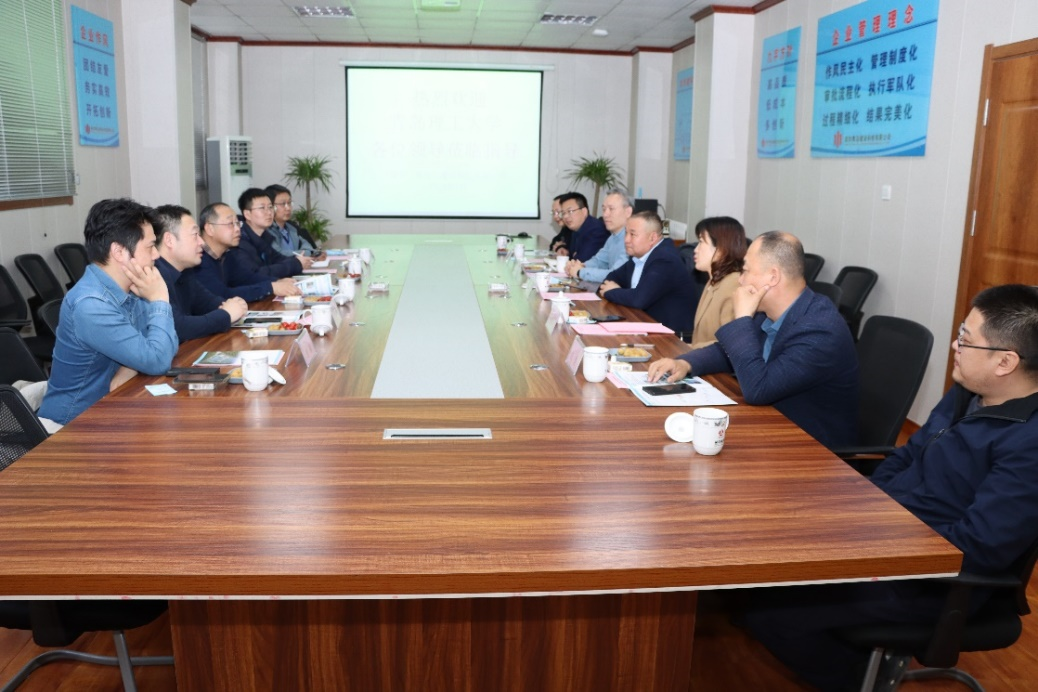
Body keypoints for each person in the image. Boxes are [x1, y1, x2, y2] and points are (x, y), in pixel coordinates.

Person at [741, 284, 1038, 692]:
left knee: (770, 611)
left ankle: (858, 680)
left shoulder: (1028, 444)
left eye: (966, 340)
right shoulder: (968, 393)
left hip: (932, 580)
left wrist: (879, 542)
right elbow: (905, 455)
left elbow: (976, 549)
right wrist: (865, 509)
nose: (956, 346)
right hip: (888, 537)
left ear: (1005, 361)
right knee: (763, 561)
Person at [647, 231, 857, 448]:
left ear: (773, 277)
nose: (740, 280)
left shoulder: (819, 330)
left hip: (810, 448)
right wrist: (685, 363)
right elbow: (729, 351)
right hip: (770, 427)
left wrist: (742, 319)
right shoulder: (770, 313)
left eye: (745, 270)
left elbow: (759, 389)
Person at [38, 198, 178, 428]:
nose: (157, 255)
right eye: (150, 246)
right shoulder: (91, 305)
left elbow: (168, 343)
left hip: (112, 408)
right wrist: (160, 299)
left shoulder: (130, 288)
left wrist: (130, 366)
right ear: (119, 251)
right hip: (71, 426)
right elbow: (158, 359)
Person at [153, 204, 248, 342]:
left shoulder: (186, 271)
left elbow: (208, 303)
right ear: (169, 240)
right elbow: (178, 328)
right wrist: (226, 315)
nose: (202, 242)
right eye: (195, 235)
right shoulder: (153, 276)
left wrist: (232, 305)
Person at [597, 211, 696, 335]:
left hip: (671, 337)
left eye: (633, 234)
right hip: (645, 325)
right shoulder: (638, 256)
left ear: (652, 238)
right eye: (626, 233)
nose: (626, 240)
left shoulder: (665, 259)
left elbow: (638, 299)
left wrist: (612, 291)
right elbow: (609, 280)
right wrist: (617, 291)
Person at [192, 202, 301, 302]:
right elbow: (222, 294)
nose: (237, 229)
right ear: (210, 229)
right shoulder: (198, 259)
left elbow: (246, 278)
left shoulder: (227, 254)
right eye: (230, 224)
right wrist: (270, 287)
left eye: (237, 223)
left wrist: (277, 282)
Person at [224, 188, 312, 285]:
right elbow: (255, 274)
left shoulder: (265, 237)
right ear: (247, 214)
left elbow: (278, 259)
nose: (269, 212)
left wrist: (299, 261)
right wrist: (296, 264)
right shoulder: (240, 241)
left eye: (270, 207)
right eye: (262, 208)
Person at [689, 216, 748, 349]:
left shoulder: (733, 285)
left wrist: (691, 349)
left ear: (721, 249)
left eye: (701, 242)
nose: (695, 250)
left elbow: (729, 344)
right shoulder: (713, 281)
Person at [565, 189, 631, 284]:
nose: (605, 214)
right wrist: (581, 266)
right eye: (604, 209)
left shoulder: (631, 239)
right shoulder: (612, 237)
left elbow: (615, 275)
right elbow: (599, 261)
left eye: (611, 209)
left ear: (628, 212)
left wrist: (580, 272)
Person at [263, 183, 320, 256]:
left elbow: (308, 246)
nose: (288, 208)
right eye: (283, 204)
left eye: (289, 203)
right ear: (270, 206)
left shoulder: (292, 228)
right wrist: (303, 254)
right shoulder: (266, 231)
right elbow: (278, 254)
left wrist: (304, 253)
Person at [558, 192, 609, 262]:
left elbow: (581, 261)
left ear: (584, 211)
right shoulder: (576, 229)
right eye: (563, 213)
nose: (566, 216)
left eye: (570, 211)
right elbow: (572, 256)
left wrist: (575, 256)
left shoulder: (597, 231)